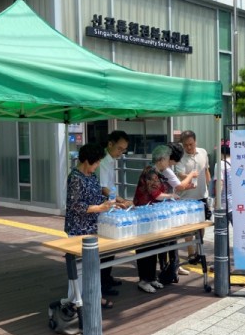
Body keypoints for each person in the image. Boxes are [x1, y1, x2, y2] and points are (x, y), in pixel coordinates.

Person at [65, 143, 115, 308]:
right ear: (87, 160)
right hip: (78, 228)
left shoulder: (92, 176)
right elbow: (76, 205)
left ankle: (94, 297)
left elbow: (96, 197)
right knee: (79, 268)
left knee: (93, 266)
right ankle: (75, 301)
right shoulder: (75, 177)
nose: (98, 165)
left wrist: (108, 204)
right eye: (96, 162)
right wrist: (100, 208)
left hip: (93, 226)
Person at [133, 145, 179, 293]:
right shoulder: (151, 172)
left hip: (151, 214)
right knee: (146, 248)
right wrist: (172, 196)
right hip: (144, 214)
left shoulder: (156, 171)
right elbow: (156, 195)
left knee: (153, 247)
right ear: (161, 159)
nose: (168, 162)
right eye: (167, 159)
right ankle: (143, 280)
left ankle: (151, 278)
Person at [96, 130, 130, 296]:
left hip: (108, 205)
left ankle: (107, 277)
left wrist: (118, 199)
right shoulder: (102, 161)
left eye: (124, 150)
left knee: (111, 246)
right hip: (101, 207)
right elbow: (103, 187)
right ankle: (102, 282)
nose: (121, 153)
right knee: (105, 246)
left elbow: (109, 185)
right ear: (110, 144)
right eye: (119, 148)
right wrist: (118, 199)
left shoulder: (110, 160)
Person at [160, 142, 198, 276]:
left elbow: (177, 185)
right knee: (167, 240)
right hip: (163, 208)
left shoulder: (167, 167)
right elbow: (180, 186)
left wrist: (187, 186)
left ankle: (174, 265)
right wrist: (191, 175)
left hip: (167, 206)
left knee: (172, 239)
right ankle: (169, 268)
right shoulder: (166, 169)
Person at [175, 130, 211, 263]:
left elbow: (206, 169)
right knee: (189, 227)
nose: (189, 147)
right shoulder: (180, 157)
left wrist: (210, 186)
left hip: (202, 194)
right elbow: (180, 175)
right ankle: (190, 252)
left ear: (195, 141)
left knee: (201, 225)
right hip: (187, 198)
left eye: (191, 144)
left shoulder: (203, 152)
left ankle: (199, 250)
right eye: (185, 145)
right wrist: (190, 175)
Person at [213, 141, 233, 225]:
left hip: (224, 205)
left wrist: (217, 201)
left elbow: (219, 184)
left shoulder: (220, 164)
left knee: (222, 232)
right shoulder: (238, 162)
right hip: (238, 205)